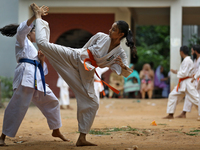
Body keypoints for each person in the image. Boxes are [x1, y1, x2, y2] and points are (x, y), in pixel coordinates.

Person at [31, 3, 135, 146]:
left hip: (87, 71)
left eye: (114, 29)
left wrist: (123, 66)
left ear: (121, 35)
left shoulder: (120, 54)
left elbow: (124, 72)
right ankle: (38, 16)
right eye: (111, 27)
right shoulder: (100, 36)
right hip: (76, 56)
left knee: (93, 102)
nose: (110, 30)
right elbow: (84, 49)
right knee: (43, 44)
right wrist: (81, 59)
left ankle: (82, 138)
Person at [0, 6, 68, 146]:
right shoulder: (22, 41)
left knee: (52, 101)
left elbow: (42, 71)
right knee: (17, 107)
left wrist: (42, 60)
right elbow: (22, 30)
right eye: (36, 31)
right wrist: (35, 16)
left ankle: (56, 130)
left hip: (36, 79)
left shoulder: (33, 48)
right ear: (30, 33)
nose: (37, 34)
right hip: (26, 77)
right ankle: (2, 137)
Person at [163, 46, 199, 119]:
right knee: (173, 95)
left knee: (196, 99)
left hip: (188, 82)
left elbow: (184, 73)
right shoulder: (187, 60)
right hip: (183, 82)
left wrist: (176, 72)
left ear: (181, 52)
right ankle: (170, 114)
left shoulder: (187, 60)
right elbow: (184, 73)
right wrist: (177, 72)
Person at [175, 46, 198, 118]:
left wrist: (195, 76)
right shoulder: (195, 60)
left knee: (196, 98)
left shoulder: (195, 60)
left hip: (195, 80)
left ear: (196, 51)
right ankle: (184, 113)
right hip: (194, 80)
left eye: (192, 51)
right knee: (190, 97)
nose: (191, 53)